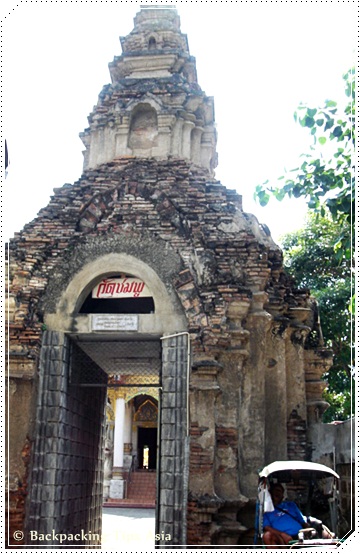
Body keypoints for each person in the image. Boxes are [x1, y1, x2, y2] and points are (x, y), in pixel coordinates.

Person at [263, 483, 322, 548]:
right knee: (267, 536)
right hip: (281, 538)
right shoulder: (267, 511)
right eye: (275, 490)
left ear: (282, 495)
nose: (276, 493)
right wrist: (282, 534)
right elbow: (267, 527)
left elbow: (302, 521)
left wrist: (309, 531)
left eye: (279, 491)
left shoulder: (290, 505)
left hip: (300, 535)